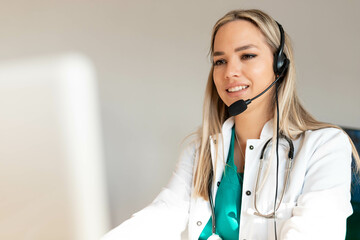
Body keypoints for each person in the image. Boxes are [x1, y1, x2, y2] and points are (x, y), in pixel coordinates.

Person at [102, 9, 360, 240]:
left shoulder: (325, 145)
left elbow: (316, 232)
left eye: (247, 55)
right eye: (220, 61)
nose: (229, 72)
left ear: (279, 67)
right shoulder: (201, 150)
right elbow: (162, 215)